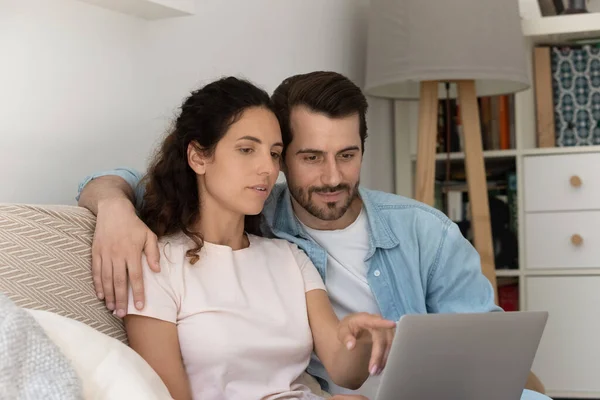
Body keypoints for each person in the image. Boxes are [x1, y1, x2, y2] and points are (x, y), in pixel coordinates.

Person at [77, 71, 549, 400]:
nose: (331, 177)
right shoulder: (249, 217)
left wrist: (362, 339)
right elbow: (129, 180)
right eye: (309, 157)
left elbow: (491, 350)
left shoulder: (420, 231)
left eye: (347, 154)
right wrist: (114, 208)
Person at [99, 76, 396, 400]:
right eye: (246, 150)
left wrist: (362, 337)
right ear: (198, 157)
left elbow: (344, 371)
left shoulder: (290, 257)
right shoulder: (158, 265)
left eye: (273, 153)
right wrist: (113, 205)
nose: (266, 168)